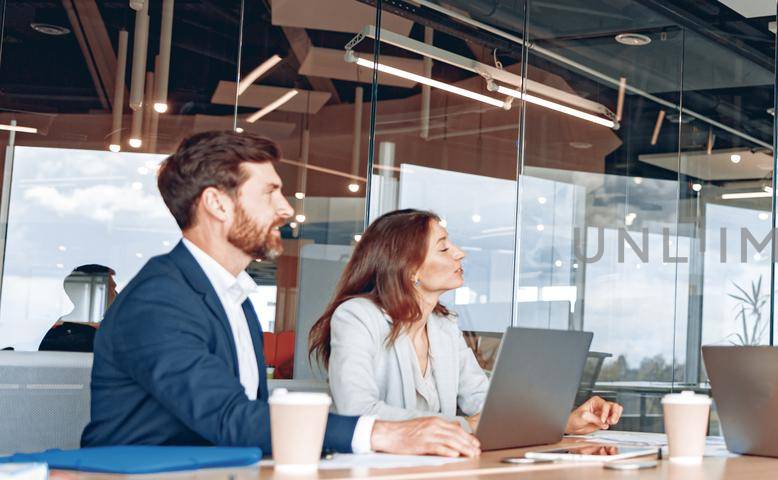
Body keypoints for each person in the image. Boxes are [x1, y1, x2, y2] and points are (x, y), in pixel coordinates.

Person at [81, 131, 481, 458]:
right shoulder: (160, 299)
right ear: (217, 204)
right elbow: (228, 417)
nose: (285, 208)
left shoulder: (233, 297)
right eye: (269, 193)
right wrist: (383, 434)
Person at [308, 208, 623, 434]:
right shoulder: (356, 317)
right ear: (409, 269)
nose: (459, 253)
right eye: (444, 247)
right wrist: (460, 426)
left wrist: (565, 421)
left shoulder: (443, 327)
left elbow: (484, 403)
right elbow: (356, 410)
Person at [39, 264, 117, 353]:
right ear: (95, 294)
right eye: (112, 288)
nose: (116, 295)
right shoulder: (83, 337)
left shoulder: (59, 331)